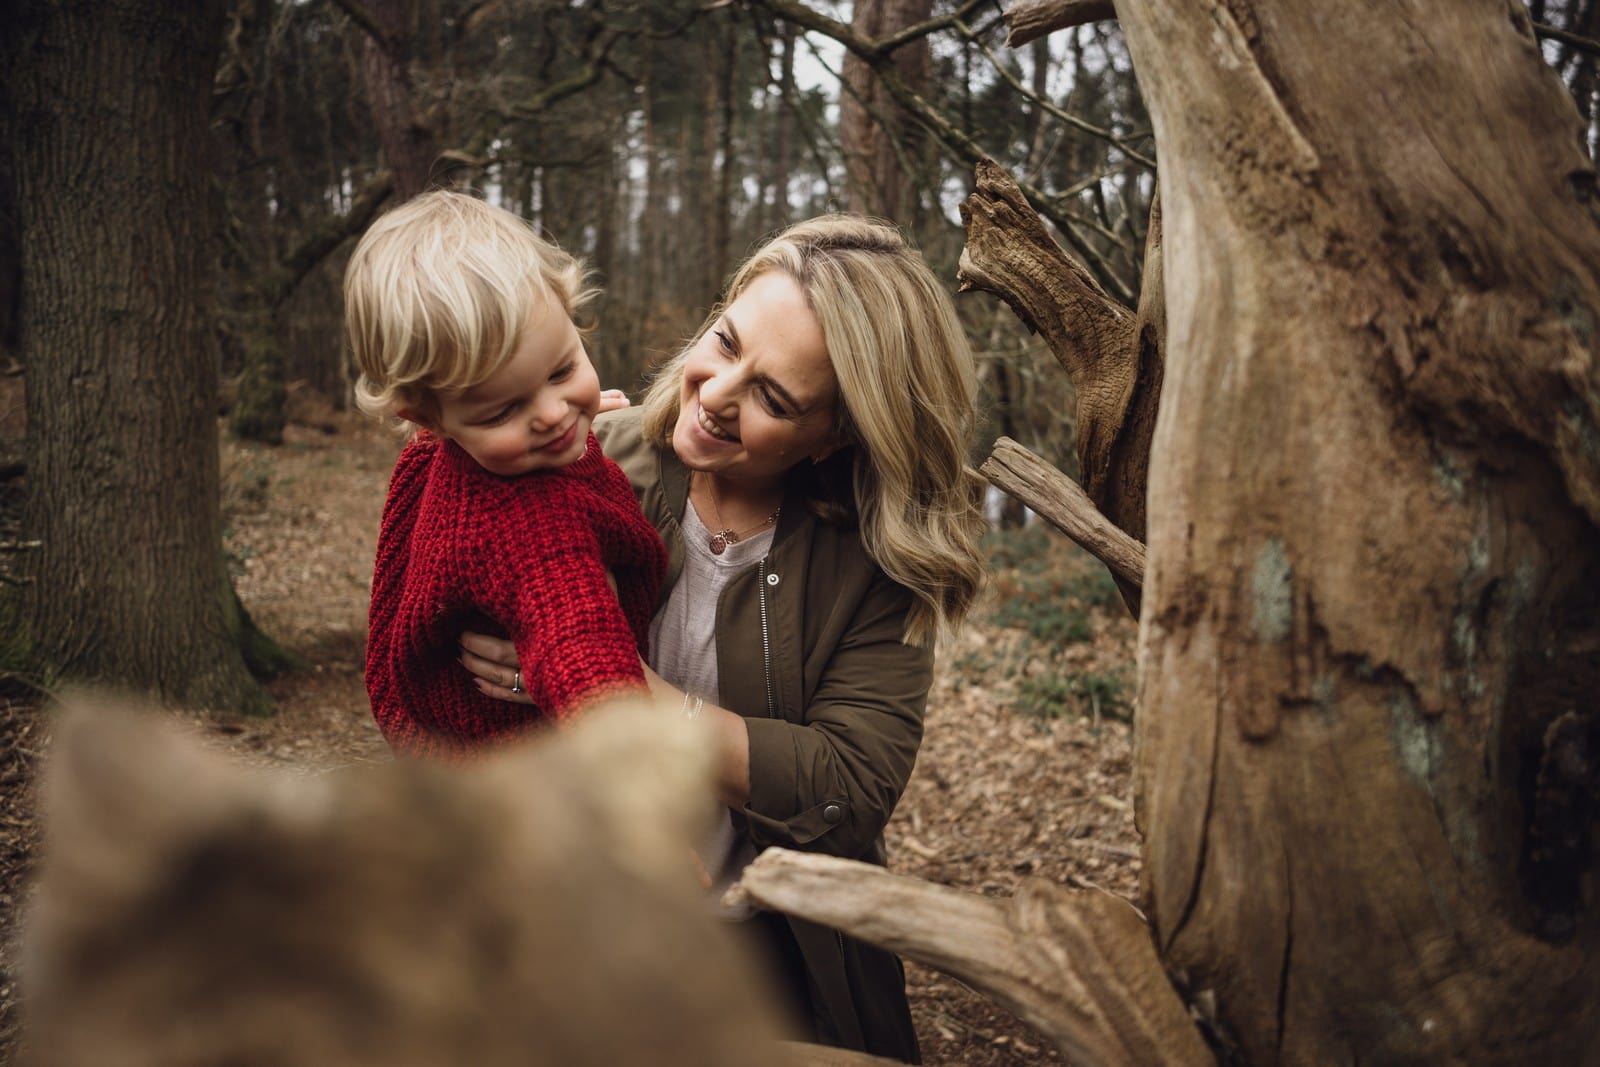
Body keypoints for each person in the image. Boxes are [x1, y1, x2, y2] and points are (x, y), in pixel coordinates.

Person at [461, 214, 988, 1062]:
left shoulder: (874, 567)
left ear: (840, 432)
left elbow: (847, 788)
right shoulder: (595, 459)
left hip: (771, 952)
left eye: (774, 398)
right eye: (725, 341)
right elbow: (449, 592)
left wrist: (605, 681)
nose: (715, 393)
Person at [346, 189, 666, 758]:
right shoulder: (529, 527)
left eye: (562, 369)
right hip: (528, 783)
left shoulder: (441, 450)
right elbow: (586, 657)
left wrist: (581, 419)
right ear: (428, 418)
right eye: (502, 410)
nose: (550, 413)